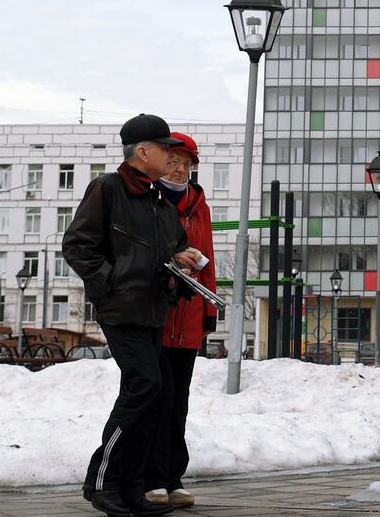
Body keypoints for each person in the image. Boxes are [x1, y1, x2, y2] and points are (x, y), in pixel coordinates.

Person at [63, 114, 201, 517]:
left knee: (153, 394)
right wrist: (112, 283)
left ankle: (131, 489)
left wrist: (181, 256)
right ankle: (101, 482)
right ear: (143, 152)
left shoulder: (158, 200)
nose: (171, 156)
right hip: (122, 308)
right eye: (165, 149)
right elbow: (77, 246)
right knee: (144, 386)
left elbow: (171, 246)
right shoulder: (107, 188)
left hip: (153, 308)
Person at [144, 132, 216, 510]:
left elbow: (209, 261)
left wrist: (209, 311)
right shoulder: (146, 199)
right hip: (155, 313)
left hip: (188, 317)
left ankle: (173, 477)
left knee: (179, 402)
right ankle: (151, 477)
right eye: (174, 161)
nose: (180, 170)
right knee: (159, 395)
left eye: (187, 164)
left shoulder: (199, 205)